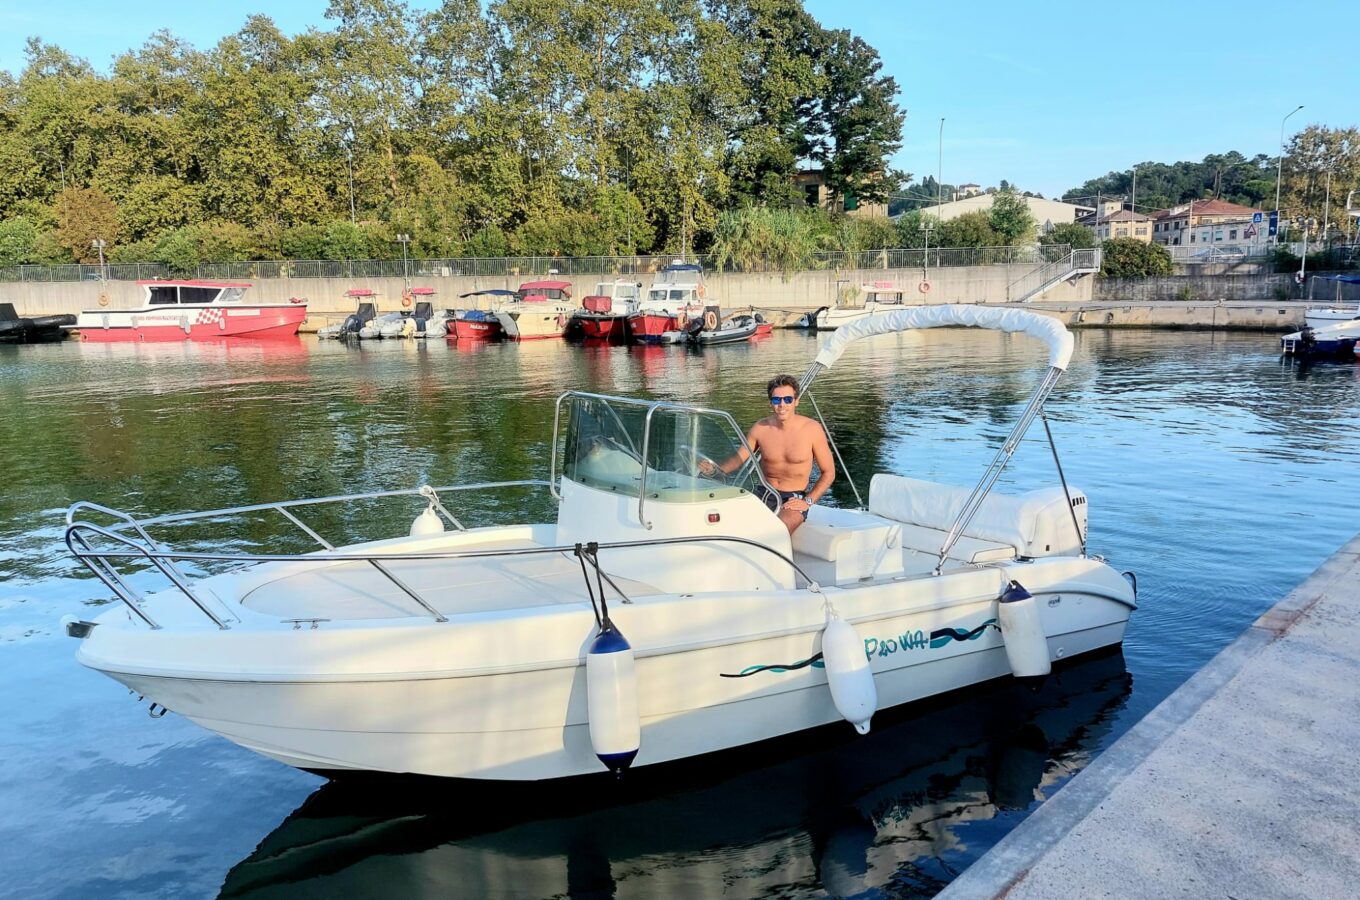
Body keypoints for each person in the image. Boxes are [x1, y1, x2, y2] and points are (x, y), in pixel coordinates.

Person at [701, 374, 835, 535]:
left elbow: (829, 472)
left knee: (777, 531)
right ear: (771, 402)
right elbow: (738, 459)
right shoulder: (760, 428)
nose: (782, 405)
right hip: (762, 492)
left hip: (793, 499)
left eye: (788, 399)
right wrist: (714, 469)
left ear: (796, 401)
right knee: (724, 524)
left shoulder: (812, 429)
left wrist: (808, 501)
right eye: (777, 400)